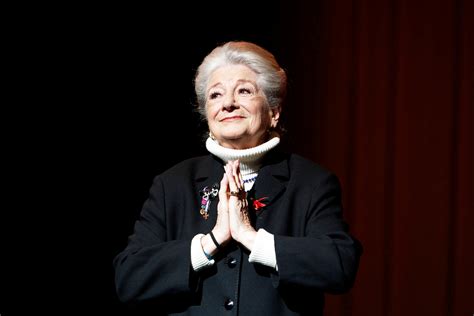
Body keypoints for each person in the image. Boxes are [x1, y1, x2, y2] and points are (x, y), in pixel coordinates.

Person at [113, 41, 362, 315]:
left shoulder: (311, 182)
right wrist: (212, 240)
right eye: (215, 95)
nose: (228, 103)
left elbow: (340, 265)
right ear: (206, 114)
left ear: (274, 112)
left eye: (244, 91)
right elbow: (129, 278)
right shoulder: (172, 184)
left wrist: (251, 238)